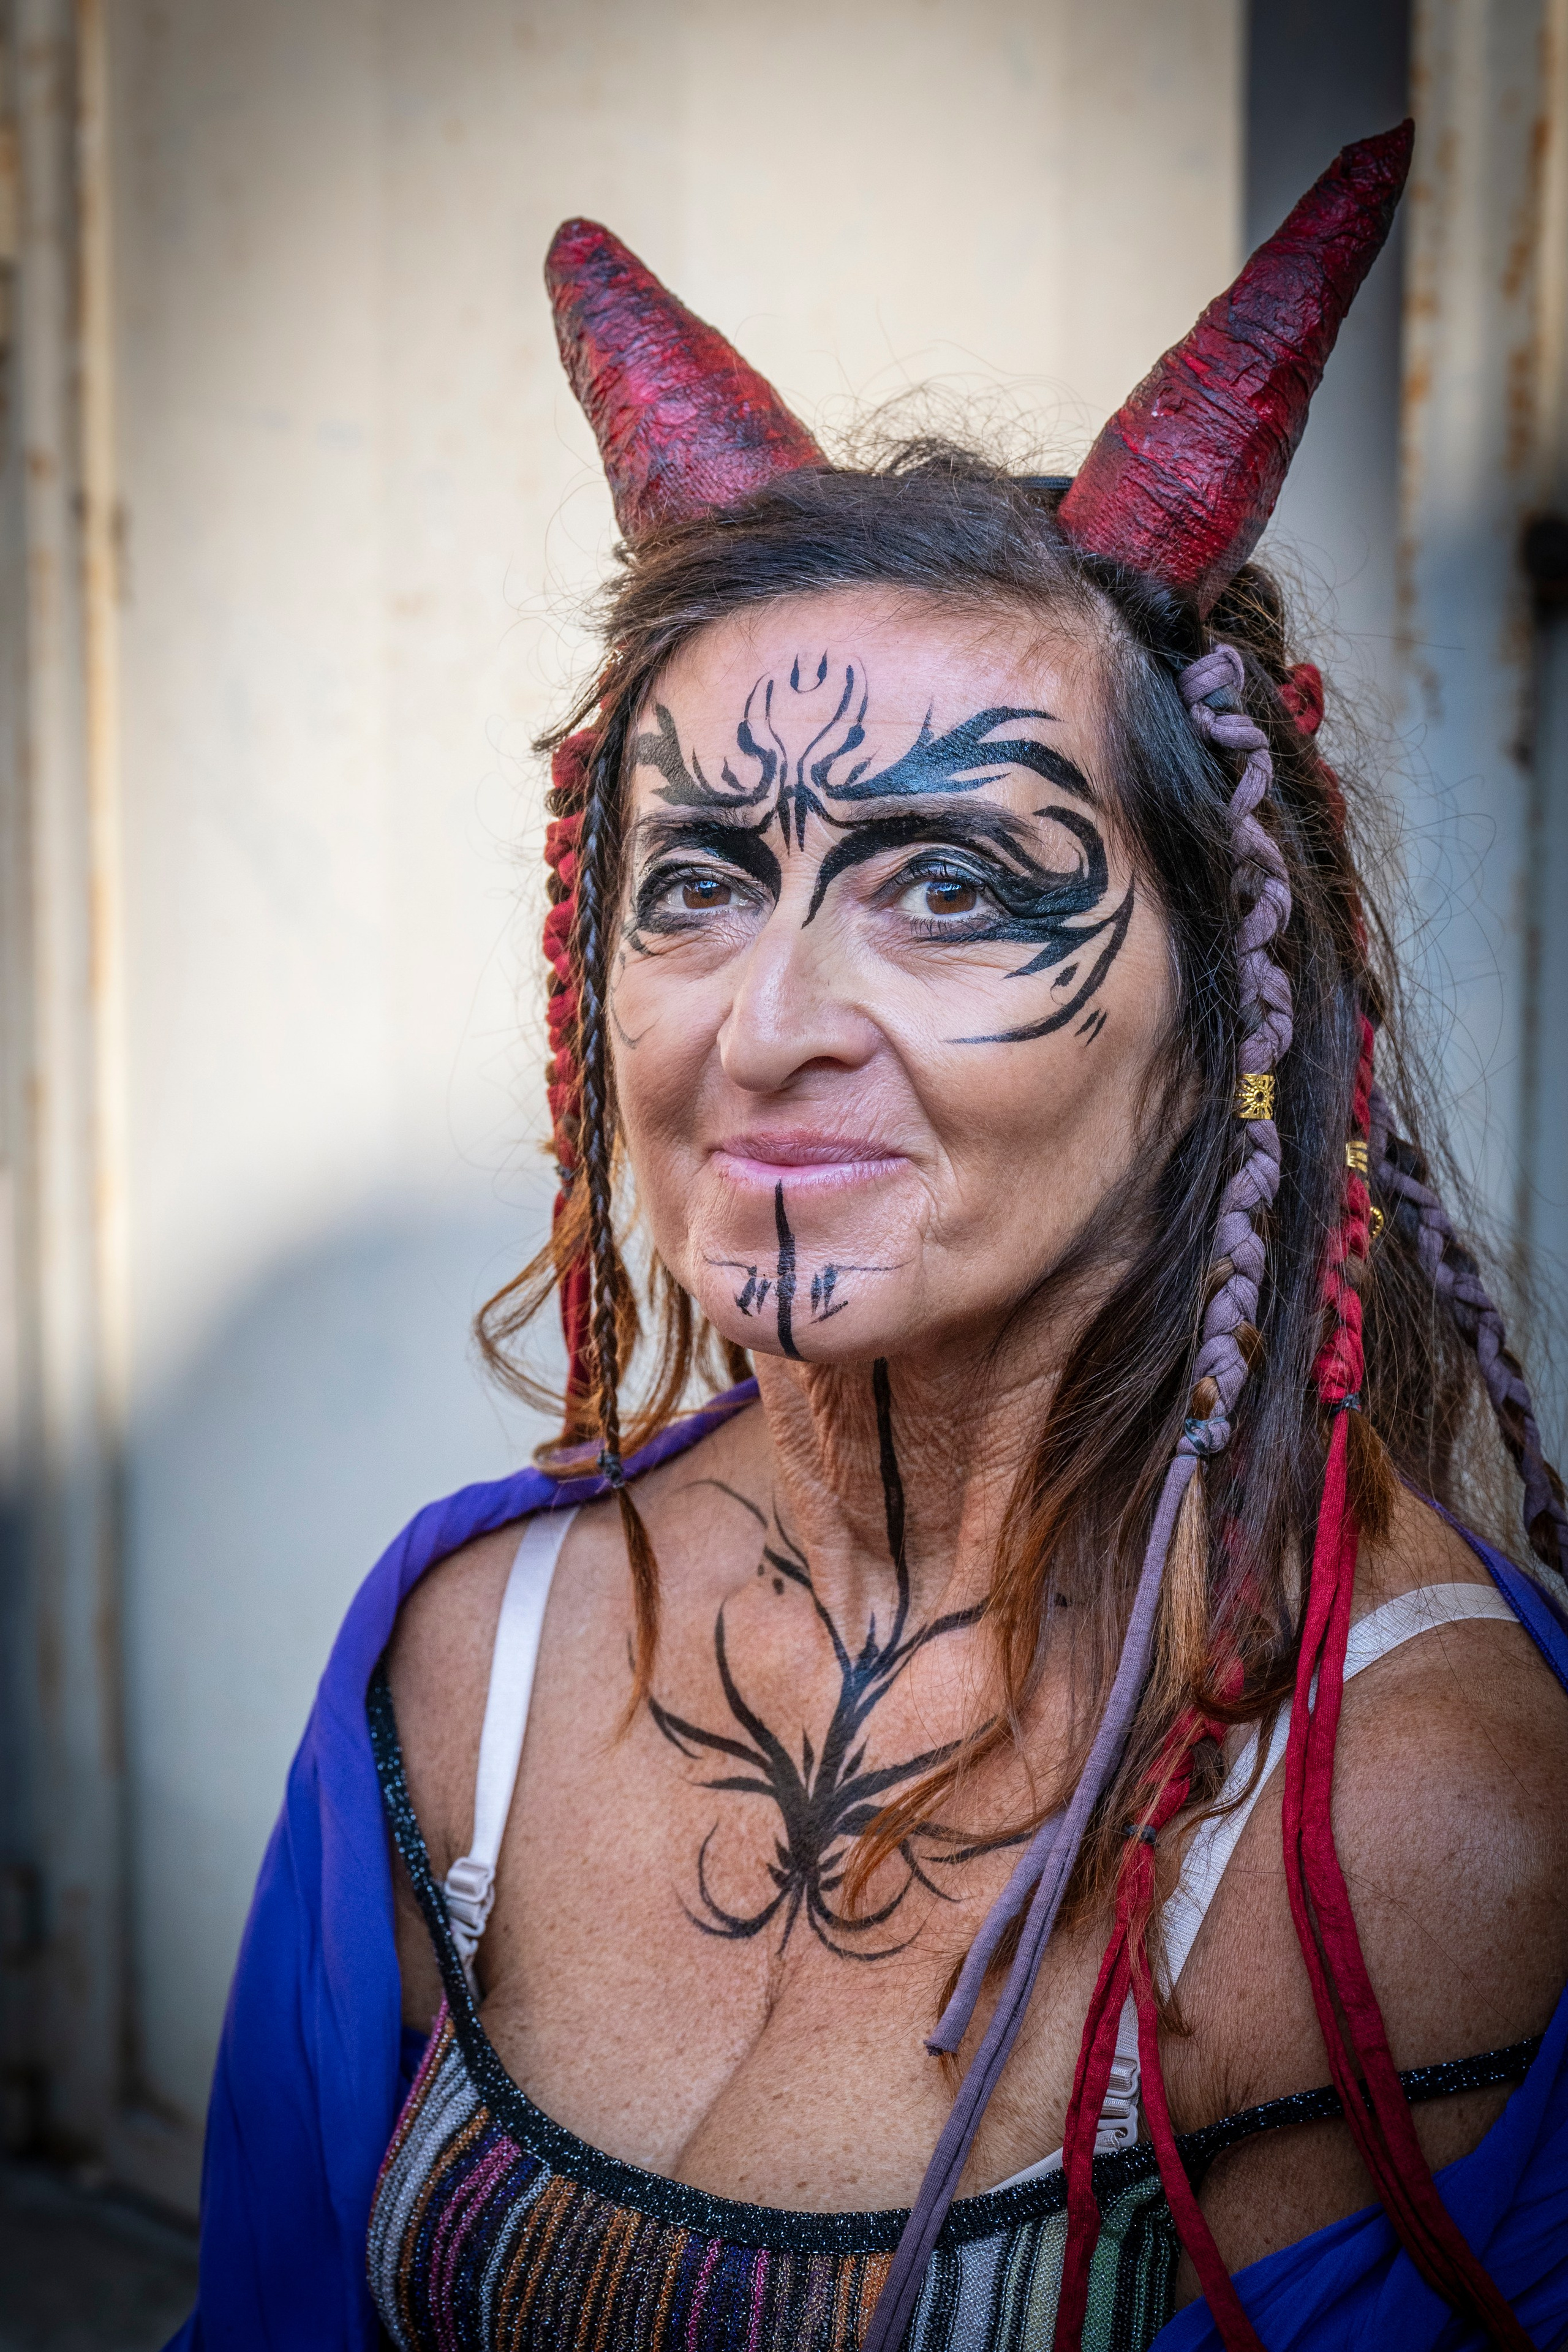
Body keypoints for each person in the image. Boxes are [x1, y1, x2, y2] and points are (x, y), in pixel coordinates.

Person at [170, 123, 1568, 2352]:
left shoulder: (1429, 1817)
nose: (769, 1028)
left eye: (953, 887)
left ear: (1227, 996)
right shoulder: (463, 1658)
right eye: (702, 882)